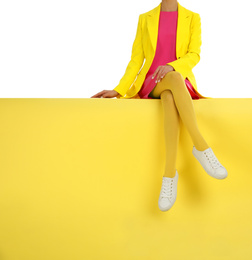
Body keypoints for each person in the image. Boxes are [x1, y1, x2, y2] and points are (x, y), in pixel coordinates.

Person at [91, 0, 228, 212]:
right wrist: (119, 90)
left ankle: (169, 174)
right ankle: (201, 146)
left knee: (170, 95)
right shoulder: (145, 18)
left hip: (179, 83)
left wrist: (171, 66)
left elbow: (194, 54)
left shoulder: (192, 17)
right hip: (151, 81)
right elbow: (136, 60)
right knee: (172, 80)